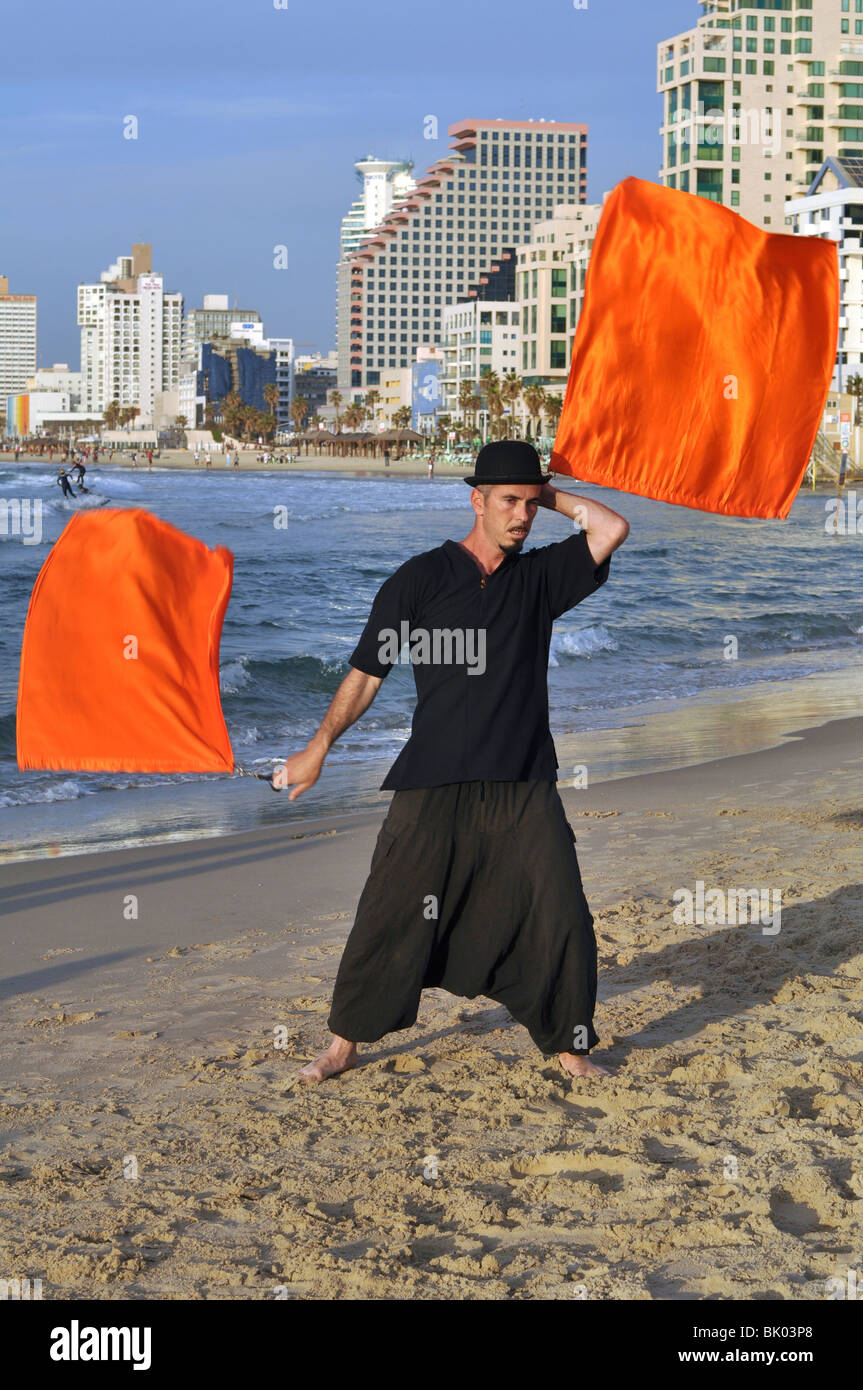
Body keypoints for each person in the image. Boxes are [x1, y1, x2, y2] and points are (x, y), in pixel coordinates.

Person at [273, 440, 630, 1084]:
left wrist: (543, 492)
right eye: (508, 501)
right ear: (476, 501)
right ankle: (344, 1043)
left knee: (561, 910)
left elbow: (611, 527)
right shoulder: (419, 580)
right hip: (433, 777)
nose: (521, 516)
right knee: (391, 907)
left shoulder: (540, 578)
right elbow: (366, 674)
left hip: (522, 779)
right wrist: (318, 748)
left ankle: (570, 1045)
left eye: (530, 504)